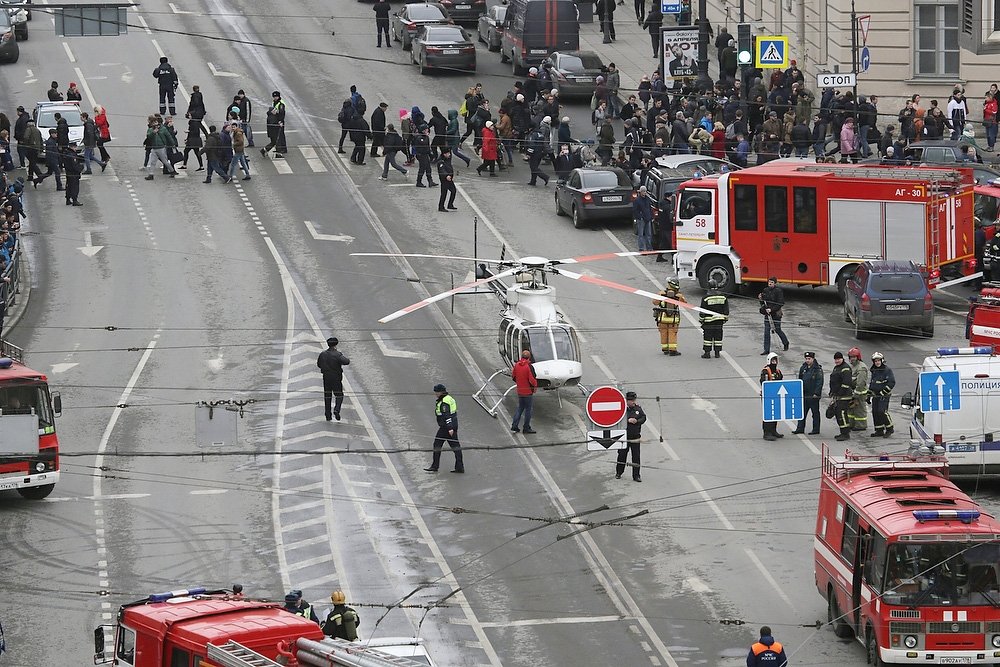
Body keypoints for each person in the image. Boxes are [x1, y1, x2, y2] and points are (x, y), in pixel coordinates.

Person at [425, 383, 464, 473]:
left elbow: (447, 415)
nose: (436, 394)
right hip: (452, 425)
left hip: (446, 428)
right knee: (456, 447)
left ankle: (435, 466)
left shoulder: (444, 402)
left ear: (441, 392)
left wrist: (449, 428)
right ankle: (459, 467)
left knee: (437, 445)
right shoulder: (449, 398)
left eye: (437, 392)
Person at [317, 337, 350, 421]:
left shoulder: (322, 354)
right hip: (336, 378)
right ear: (335, 345)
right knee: (339, 395)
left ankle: (328, 415)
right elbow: (346, 361)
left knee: (327, 396)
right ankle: (336, 409)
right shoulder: (337, 354)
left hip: (326, 377)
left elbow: (319, 364)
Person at [616, 391, 646, 481]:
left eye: (634, 400)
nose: (633, 402)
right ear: (627, 401)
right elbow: (618, 419)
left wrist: (637, 421)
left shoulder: (638, 409)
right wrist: (628, 420)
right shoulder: (622, 409)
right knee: (622, 456)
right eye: (631, 400)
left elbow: (643, 417)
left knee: (636, 457)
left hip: (635, 437)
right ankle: (619, 472)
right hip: (624, 437)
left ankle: (636, 475)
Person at [792, 352, 823, 435]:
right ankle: (800, 428)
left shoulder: (817, 369)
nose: (807, 360)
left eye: (809, 359)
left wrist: (816, 393)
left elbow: (819, 382)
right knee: (802, 413)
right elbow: (800, 380)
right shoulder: (803, 368)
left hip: (813, 395)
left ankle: (816, 429)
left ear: (813, 359)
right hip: (805, 394)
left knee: (815, 413)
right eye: (806, 359)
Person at [758, 277, 789, 355]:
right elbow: (763, 303)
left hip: (776, 314)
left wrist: (772, 309)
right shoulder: (765, 290)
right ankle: (766, 349)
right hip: (767, 314)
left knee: (777, 329)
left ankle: (785, 343)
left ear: (775, 283)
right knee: (766, 332)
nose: (770, 284)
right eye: (769, 282)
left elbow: (781, 303)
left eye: (771, 282)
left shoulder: (778, 291)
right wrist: (761, 299)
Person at [654, 278, 684, 355]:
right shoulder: (679, 295)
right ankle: (672, 350)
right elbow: (684, 303)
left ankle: (665, 349)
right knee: (672, 333)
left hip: (662, 318)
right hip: (673, 320)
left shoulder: (661, 293)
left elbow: (655, 302)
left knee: (663, 333)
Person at [699, 280, 729, 358]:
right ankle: (717, 353)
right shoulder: (723, 297)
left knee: (707, 338)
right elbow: (726, 310)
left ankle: (707, 353)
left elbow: (702, 311)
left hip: (709, 322)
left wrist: (701, 320)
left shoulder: (706, 298)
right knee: (718, 337)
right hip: (719, 321)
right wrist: (725, 318)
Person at [510, 350, 537, 433]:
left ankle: (514, 425)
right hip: (528, 392)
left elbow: (513, 376)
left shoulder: (517, 365)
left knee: (520, 408)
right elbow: (532, 380)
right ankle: (526, 428)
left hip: (520, 391)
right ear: (529, 357)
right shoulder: (529, 366)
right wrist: (535, 387)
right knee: (528, 410)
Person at [868, 352, 895, 438]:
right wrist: (868, 395)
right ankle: (879, 430)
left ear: (882, 360)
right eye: (875, 361)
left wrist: (882, 392)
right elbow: (872, 383)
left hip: (884, 395)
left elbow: (892, 382)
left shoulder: (887, 370)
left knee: (882, 411)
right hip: (875, 395)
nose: (877, 362)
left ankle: (889, 428)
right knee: (875, 412)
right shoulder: (874, 370)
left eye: (878, 360)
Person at [830, 351, 854, 441]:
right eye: (835, 359)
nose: (837, 361)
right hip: (838, 395)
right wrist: (832, 391)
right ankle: (843, 432)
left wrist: (840, 393)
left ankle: (845, 434)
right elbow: (833, 381)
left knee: (842, 414)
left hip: (844, 396)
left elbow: (846, 383)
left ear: (842, 359)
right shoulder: (837, 368)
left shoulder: (845, 368)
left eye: (838, 359)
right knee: (838, 414)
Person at [760, 353, 784, 441]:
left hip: (777, 396)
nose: (774, 362)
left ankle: (773, 430)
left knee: (776, 414)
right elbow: (764, 383)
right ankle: (767, 433)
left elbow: (781, 382)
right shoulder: (766, 371)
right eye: (773, 360)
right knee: (768, 414)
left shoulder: (778, 371)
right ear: (769, 361)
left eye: (775, 360)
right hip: (768, 397)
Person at [848, 346, 869, 432]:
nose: (852, 359)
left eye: (853, 357)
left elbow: (860, 383)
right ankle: (852, 424)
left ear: (858, 357)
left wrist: (856, 394)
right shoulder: (853, 366)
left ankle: (861, 425)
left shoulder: (861, 368)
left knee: (860, 410)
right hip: (853, 392)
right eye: (850, 357)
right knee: (852, 410)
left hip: (860, 393)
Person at [261, 91, 287, 158]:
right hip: (275, 124)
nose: (275, 98)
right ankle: (279, 152)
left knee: (277, 139)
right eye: (274, 96)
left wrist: (280, 121)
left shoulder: (281, 104)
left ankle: (281, 149)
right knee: (277, 139)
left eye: (276, 96)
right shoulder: (274, 105)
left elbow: (282, 113)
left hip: (278, 122)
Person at [526, 117, 551, 186]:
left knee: (533, 168)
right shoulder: (540, 134)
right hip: (540, 152)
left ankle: (545, 177)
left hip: (534, 153)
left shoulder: (532, 135)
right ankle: (533, 181)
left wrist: (529, 153)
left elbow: (531, 145)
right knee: (535, 167)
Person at [633, 185, 654, 251]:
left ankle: (649, 248)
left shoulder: (647, 199)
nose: (644, 193)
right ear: (640, 192)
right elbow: (635, 210)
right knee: (641, 235)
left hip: (648, 218)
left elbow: (650, 208)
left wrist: (651, 216)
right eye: (643, 191)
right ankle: (641, 248)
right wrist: (640, 217)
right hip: (641, 219)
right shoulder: (637, 200)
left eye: (645, 191)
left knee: (648, 234)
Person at [436, 147, 457, 212]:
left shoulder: (447, 159)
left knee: (453, 191)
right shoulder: (441, 161)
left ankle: (450, 204)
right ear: (444, 154)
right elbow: (442, 170)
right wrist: (446, 176)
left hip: (449, 178)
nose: (449, 154)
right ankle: (441, 207)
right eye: (448, 153)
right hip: (444, 179)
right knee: (444, 193)